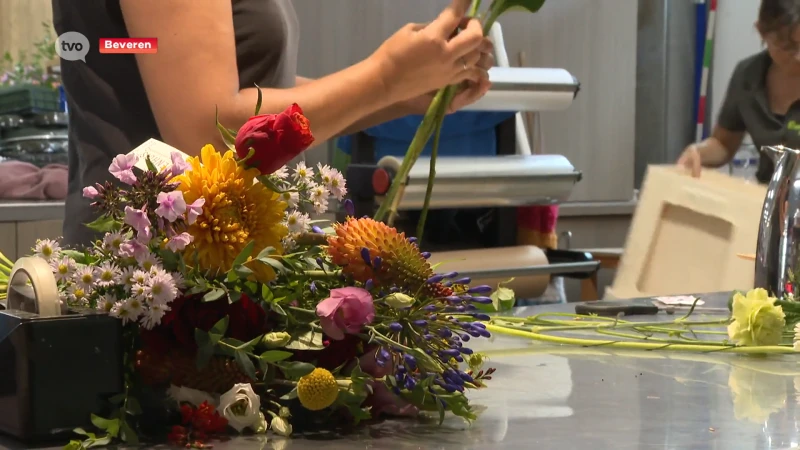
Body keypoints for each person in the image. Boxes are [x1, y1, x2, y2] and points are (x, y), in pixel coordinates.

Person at [51, 0, 495, 246]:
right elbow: (208, 131)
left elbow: (259, 103)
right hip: (152, 275)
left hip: (219, 262)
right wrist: (383, 78)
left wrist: (400, 95)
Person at [676, 0, 800, 182]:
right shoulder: (748, 76)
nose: (798, 56)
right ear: (761, 32)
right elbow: (724, 144)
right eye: (787, 47)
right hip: (769, 198)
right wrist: (698, 153)